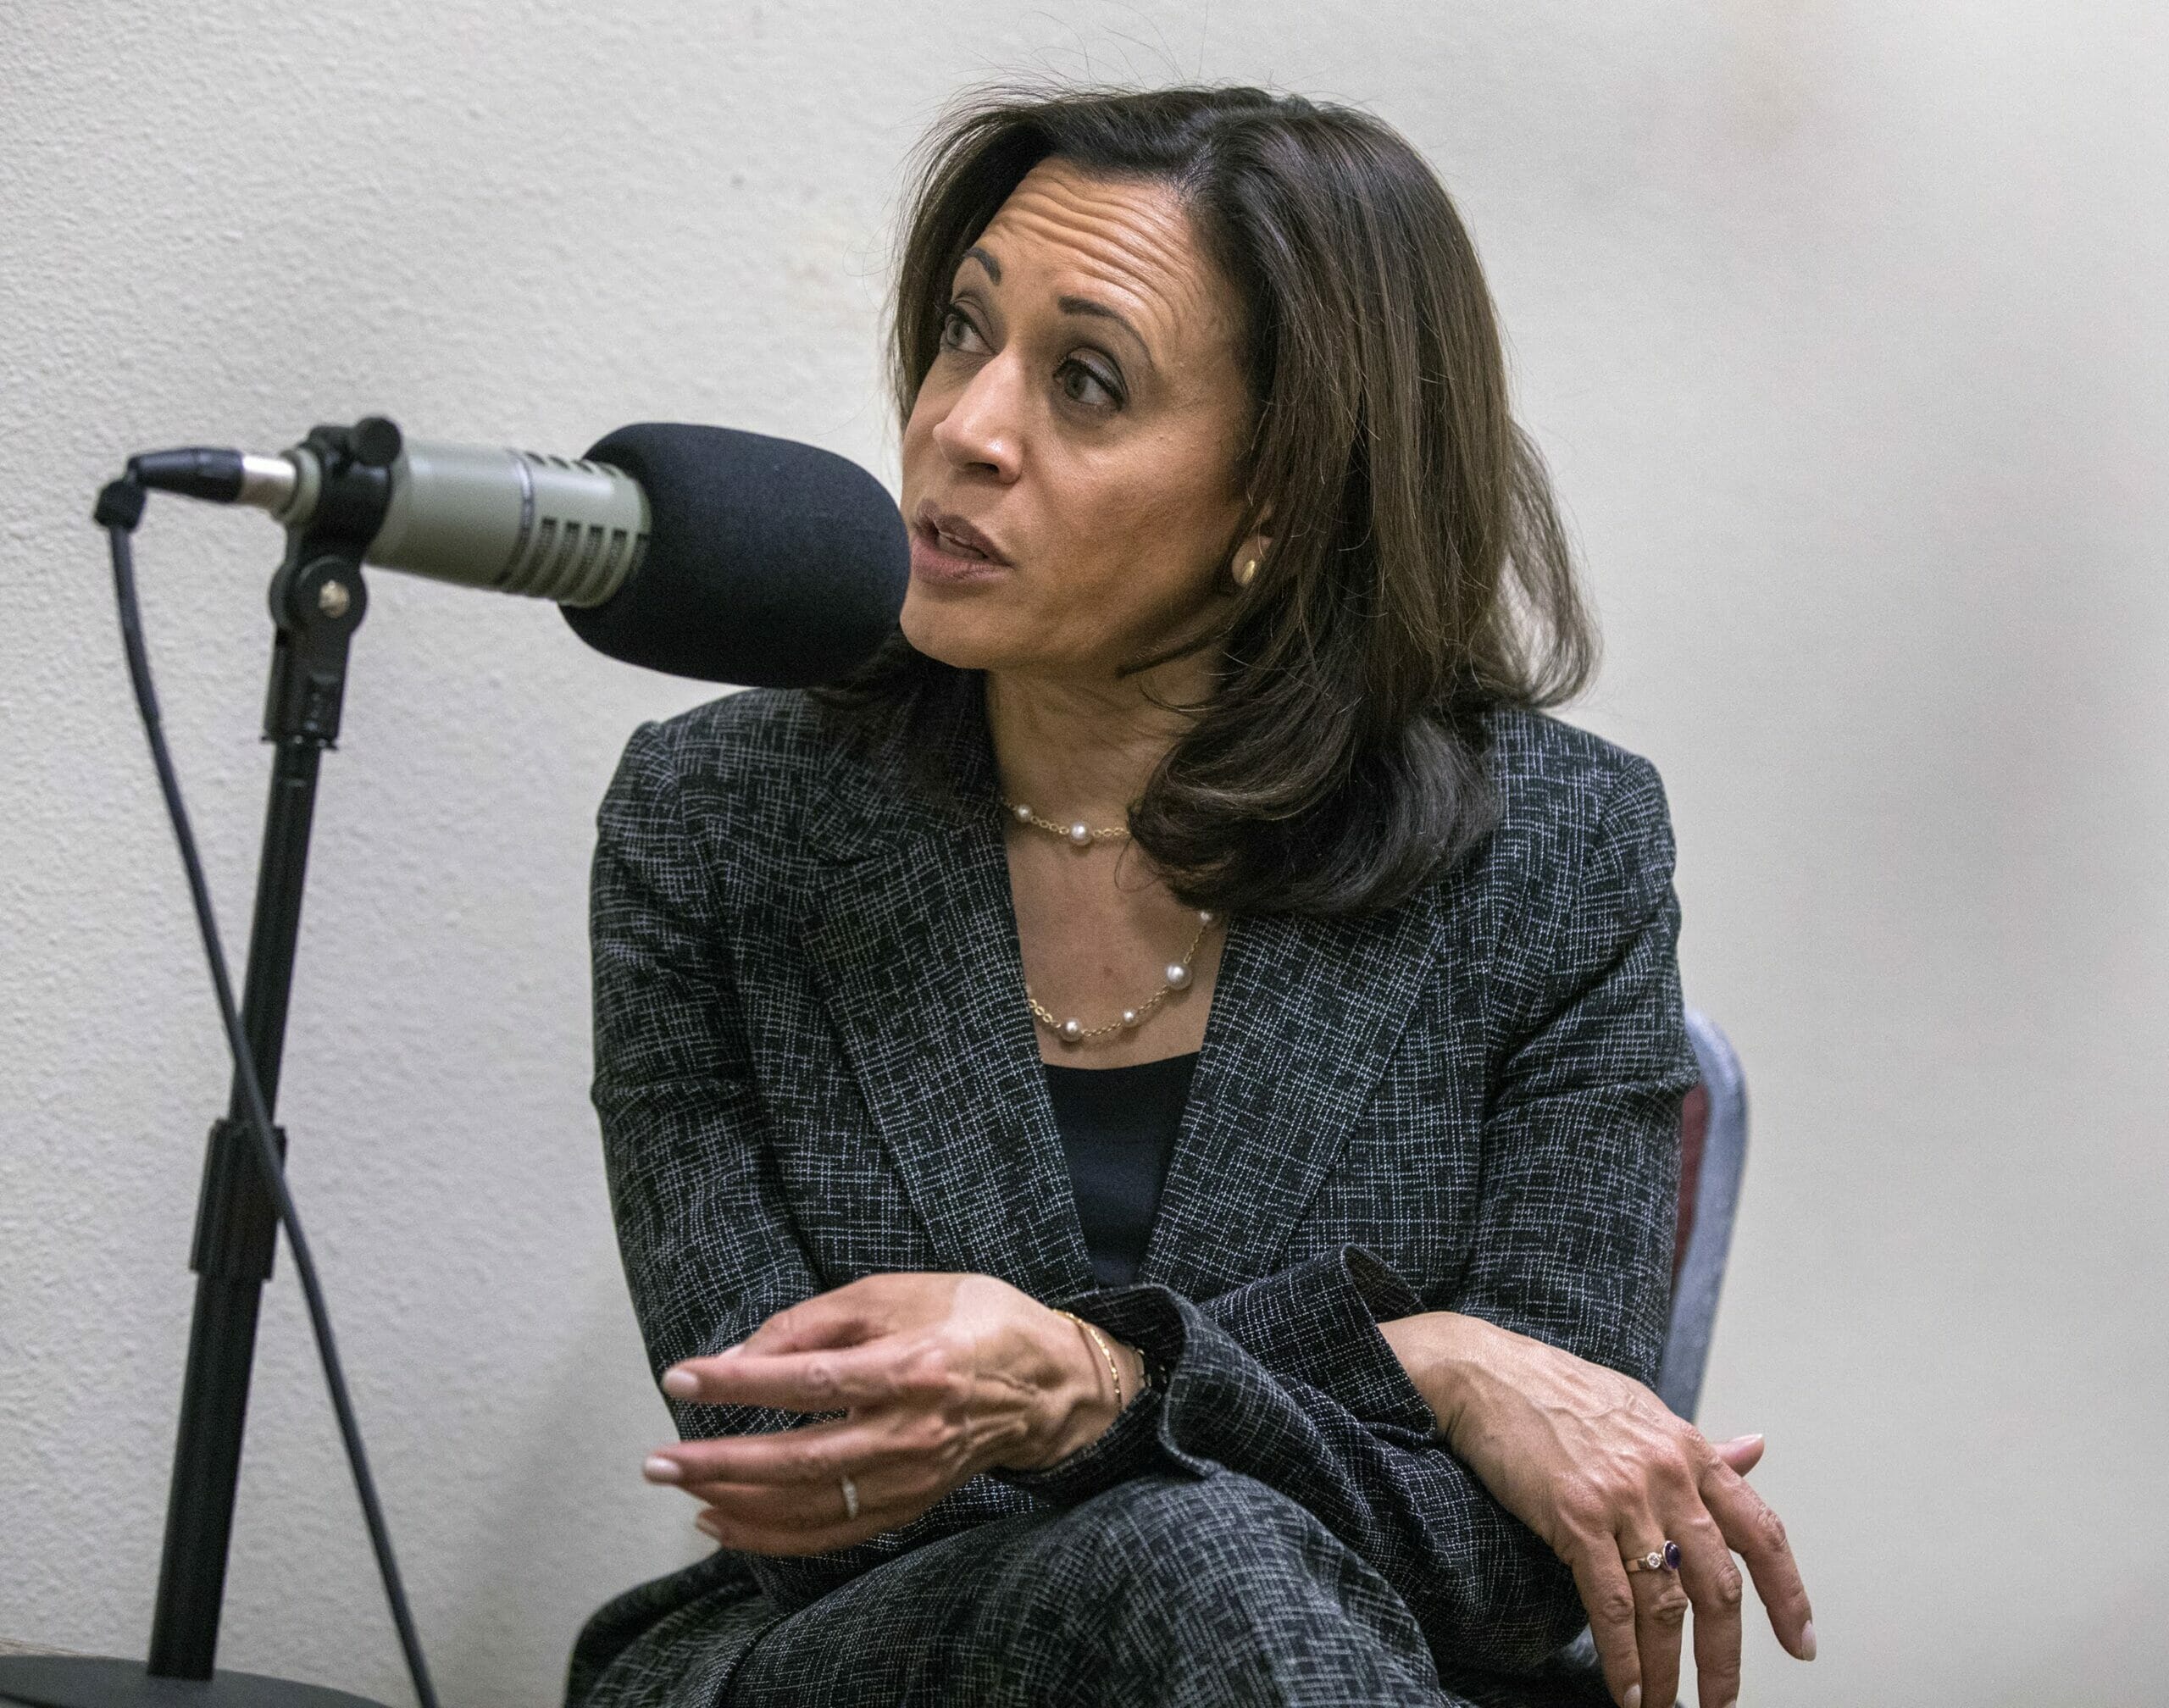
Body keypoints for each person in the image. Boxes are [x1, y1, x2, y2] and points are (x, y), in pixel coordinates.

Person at [565, 84, 1814, 1708]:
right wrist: (1413, 1367)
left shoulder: (1554, 848)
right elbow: (804, 1473)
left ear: (1280, 496)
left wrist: (1105, 1381)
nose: (963, 425)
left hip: (1379, 1670)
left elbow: (1526, 1561)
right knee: (1196, 1558)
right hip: (858, 1661)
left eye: (1084, 381)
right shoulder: (722, 818)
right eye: (962, 331)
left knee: (1221, 1573)